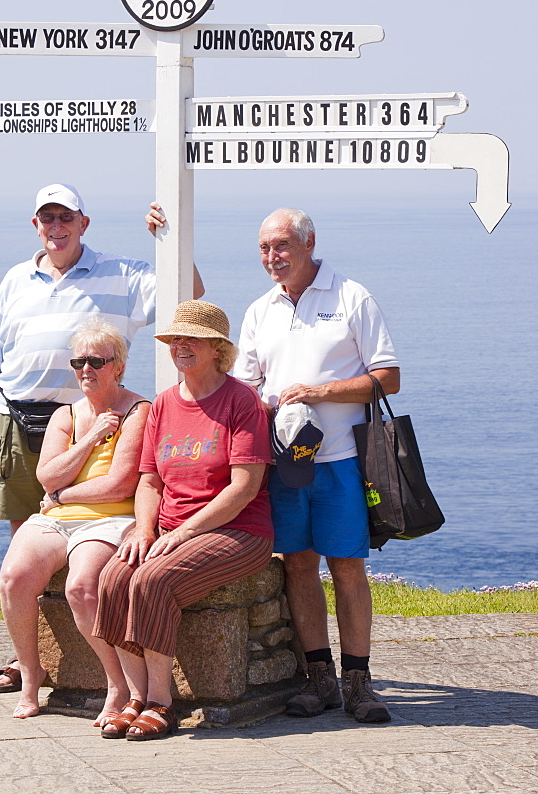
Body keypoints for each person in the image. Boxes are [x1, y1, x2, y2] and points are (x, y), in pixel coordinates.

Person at [0, 183, 203, 693]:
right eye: (46, 219)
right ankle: (26, 657)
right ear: (36, 225)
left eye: (65, 218)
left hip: (92, 416)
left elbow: (189, 295)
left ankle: (85, 662)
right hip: (19, 418)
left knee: (74, 534)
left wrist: (167, 240)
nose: (55, 228)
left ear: (83, 223)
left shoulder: (121, 272)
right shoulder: (16, 279)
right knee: (26, 545)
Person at [234, 208, 400, 724]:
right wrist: (263, 403)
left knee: (347, 567)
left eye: (281, 246)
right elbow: (246, 384)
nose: (272, 258)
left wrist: (320, 392)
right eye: (264, 248)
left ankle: (360, 681)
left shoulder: (352, 297)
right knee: (299, 564)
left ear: (309, 243)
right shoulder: (260, 309)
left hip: (341, 460)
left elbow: (388, 377)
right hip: (286, 463)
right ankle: (319, 678)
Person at [92, 301, 273, 740]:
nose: (180, 346)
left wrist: (187, 532)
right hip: (170, 529)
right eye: (175, 338)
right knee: (114, 577)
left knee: (153, 580)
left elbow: (243, 488)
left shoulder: (241, 401)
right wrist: (144, 529)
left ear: (216, 348)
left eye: (191, 338)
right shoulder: (163, 405)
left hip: (238, 531)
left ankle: (161, 703)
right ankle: (136, 697)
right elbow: (149, 481)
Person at [0, 318, 150, 718]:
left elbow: (119, 484)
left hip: (110, 519)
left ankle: (117, 686)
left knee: (82, 588)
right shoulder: (67, 414)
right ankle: (31, 674)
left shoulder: (138, 410)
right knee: (14, 578)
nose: (86, 369)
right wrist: (89, 438)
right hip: (58, 518)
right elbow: (45, 474)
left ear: (118, 365)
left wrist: (61, 493)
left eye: (97, 362)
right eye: (79, 361)